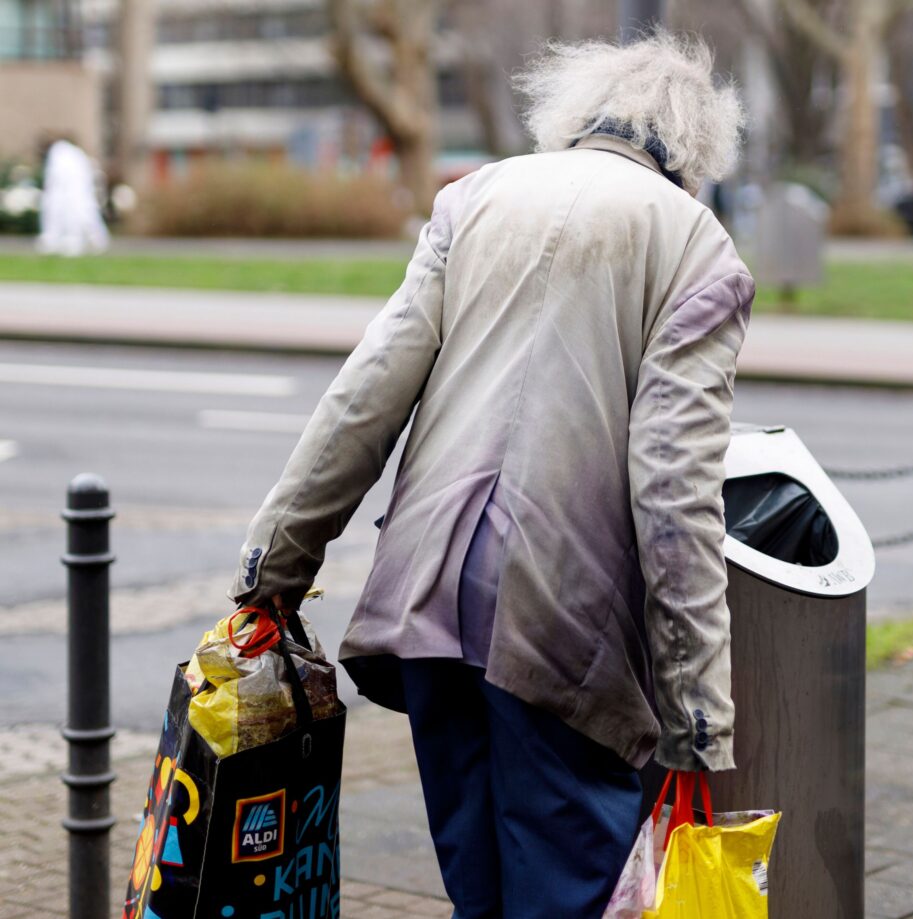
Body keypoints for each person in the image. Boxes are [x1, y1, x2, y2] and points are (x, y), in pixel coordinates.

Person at [230, 30, 752, 919]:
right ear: (696, 149)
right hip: (565, 626)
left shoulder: (475, 199)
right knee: (568, 889)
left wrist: (271, 572)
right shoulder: (697, 249)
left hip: (426, 601)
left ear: (574, 114)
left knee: (482, 891)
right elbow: (675, 496)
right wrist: (699, 721)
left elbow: (365, 396)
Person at [36, 139, 110, 256]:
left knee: (81, 214)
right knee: (80, 213)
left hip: (76, 194)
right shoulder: (69, 155)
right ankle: (87, 239)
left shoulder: (62, 155)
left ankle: (89, 239)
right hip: (73, 193)